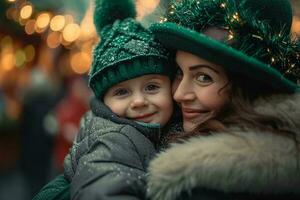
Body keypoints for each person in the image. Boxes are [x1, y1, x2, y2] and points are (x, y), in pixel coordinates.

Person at [146, 0, 300, 199]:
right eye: (179, 72)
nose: (179, 94)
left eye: (204, 77)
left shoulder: (205, 187)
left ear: (248, 87)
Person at [33, 0, 175, 200]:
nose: (139, 101)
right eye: (122, 92)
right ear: (103, 101)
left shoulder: (154, 131)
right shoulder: (113, 140)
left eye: (151, 87)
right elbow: (104, 189)